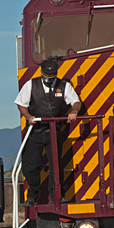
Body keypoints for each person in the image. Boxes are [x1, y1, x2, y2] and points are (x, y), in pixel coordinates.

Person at [15, 59, 81, 206]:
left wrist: (74, 111)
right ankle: (32, 195)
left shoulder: (64, 86)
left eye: (52, 77)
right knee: (30, 165)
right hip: (35, 130)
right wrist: (28, 117)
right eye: (47, 76)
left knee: (56, 164)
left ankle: (58, 195)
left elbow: (75, 101)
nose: (49, 80)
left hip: (54, 130)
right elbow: (21, 104)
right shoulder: (31, 85)